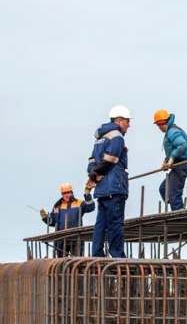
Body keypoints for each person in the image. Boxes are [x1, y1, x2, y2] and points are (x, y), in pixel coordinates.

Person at [87, 105, 131, 258]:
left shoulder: (100, 138)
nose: (129, 125)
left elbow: (92, 160)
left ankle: (97, 254)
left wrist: (93, 174)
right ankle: (118, 256)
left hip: (102, 189)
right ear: (119, 121)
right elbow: (110, 159)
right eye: (127, 121)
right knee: (115, 224)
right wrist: (97, 172)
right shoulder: (117, 136)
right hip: (114, 186)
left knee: (100, 225)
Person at [40, 183, 95, 257]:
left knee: (76, 262)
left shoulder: (79, 203)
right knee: (61, 263)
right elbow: (53, 222)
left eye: (68, 192)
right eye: (64, 193)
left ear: (72, 193)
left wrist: (87, 195)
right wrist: (45, 218)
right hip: (61, 239)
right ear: (62, 194)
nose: (66, 195)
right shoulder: (57, 206)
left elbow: (91, 207)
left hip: (76, 238)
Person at [153, 109, 187, 210]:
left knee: (173, 193)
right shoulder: (170, 131)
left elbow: (183, 145)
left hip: (182, 164)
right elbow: (172, 148)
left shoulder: (172, 131)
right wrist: (166, 160)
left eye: (158, 125)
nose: (158, 128)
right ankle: (176, 206)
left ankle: (180, 216)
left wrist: (172, 158)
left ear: (161, 123)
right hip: (178, 165)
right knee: (164, 189)